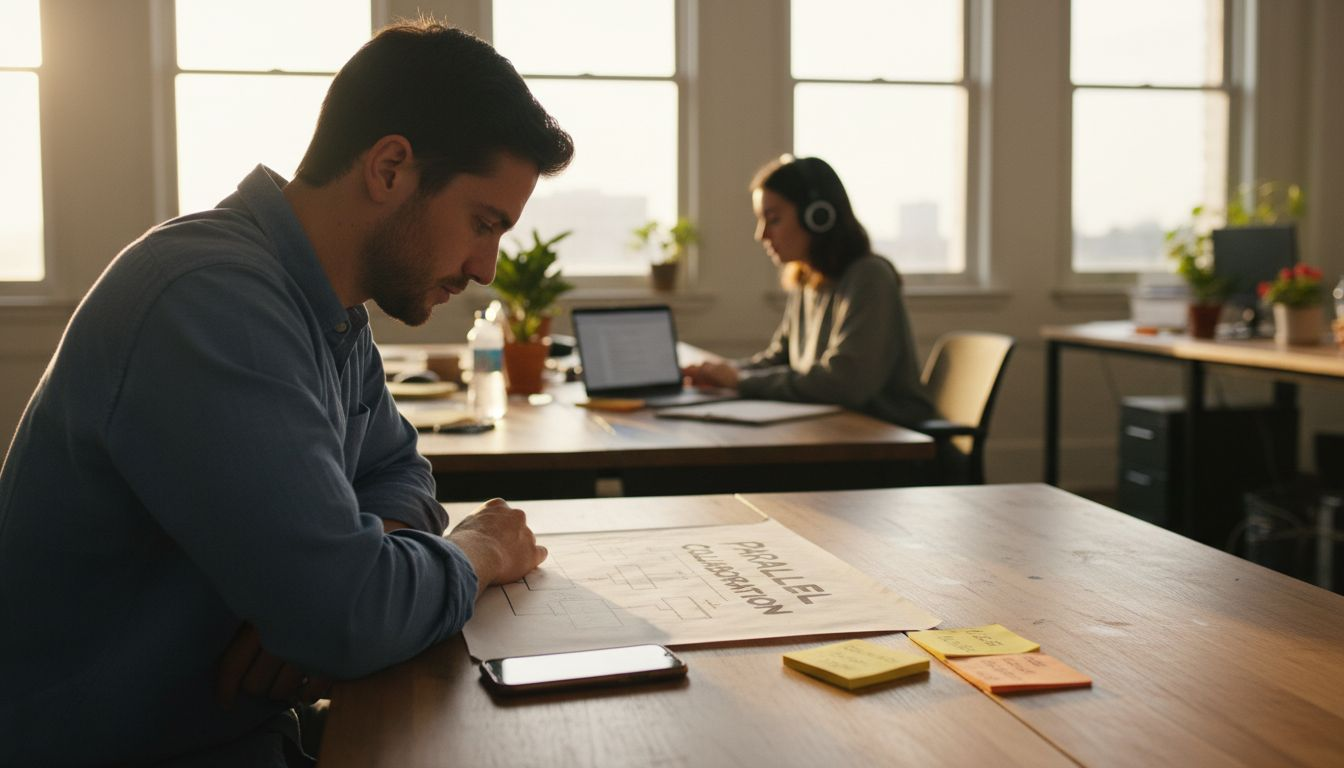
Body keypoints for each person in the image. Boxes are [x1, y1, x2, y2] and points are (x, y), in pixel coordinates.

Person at [0, 19, 572, 767]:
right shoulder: (210, 300)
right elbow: (345, 617)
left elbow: (402, 473)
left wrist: (341, 586)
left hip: (226, 732)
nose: (488, 267)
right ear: (390, 167)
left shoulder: (328, 306)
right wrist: (475, 553)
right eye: (483, 222)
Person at [682, 155, 936, 428]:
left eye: (773, 219)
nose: (762, 234)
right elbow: (780, 358)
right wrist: (723, 372)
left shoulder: (869, 277)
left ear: (818, 216)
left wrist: (740, 381)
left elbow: (844, 383)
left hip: (889, 444)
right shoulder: (808, 279)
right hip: (833, 434)